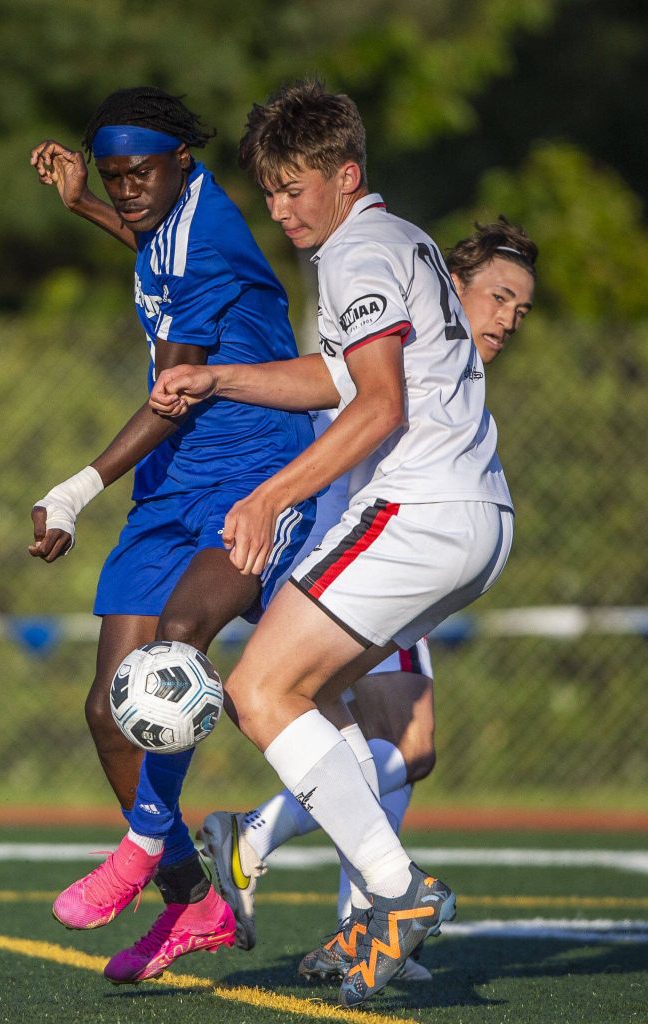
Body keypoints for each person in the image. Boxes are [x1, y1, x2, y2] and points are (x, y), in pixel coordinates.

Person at [150, 80, 515, 1007]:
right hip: (471, 516)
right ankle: (335, 886)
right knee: (320, 701)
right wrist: (224, 380)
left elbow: (381, 406)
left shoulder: (354, 253)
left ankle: (391, 895)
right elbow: (339, 380)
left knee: (258, 688)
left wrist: (272, 495)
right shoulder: (400, 240)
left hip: (418, 510)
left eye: (292, 188)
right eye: (267, 192)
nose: (279, 209)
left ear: (345, 175)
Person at [197, 216, 537, 982]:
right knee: (328, 716)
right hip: (366, 547)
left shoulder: (433, 353)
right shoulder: (387, 319)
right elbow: (346, 396)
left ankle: (351, 901)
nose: (508, 318)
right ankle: (333, 880)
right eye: (499, 297)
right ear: (450, 287)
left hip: (388, 545)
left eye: (521, 308)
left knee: (393, 743)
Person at [27, 86, 316, 982]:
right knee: (110, 707)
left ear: (182, 161)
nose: (126, 191)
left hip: (253, 475)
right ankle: (194, 906)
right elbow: (156, 255)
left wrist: (75, 491)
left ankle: (141, 848)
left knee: (176, 649)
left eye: (137, 175)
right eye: (112, 179)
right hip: (172, 484)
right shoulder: (171, 224)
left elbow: (169, 394)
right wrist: (80, 205)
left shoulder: (212, 237)